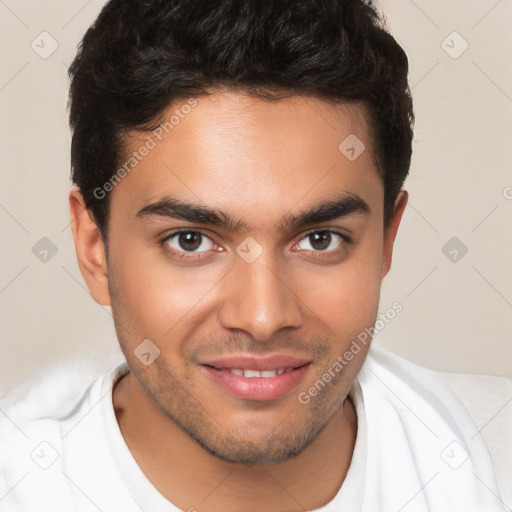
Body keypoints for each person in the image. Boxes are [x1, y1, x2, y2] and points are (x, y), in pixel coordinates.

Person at [0, 0, 509, 511]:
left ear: (385, 240)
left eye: (320, 239)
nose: (263, 318)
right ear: (95, 251)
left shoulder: (490, 460)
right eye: (191, 241)